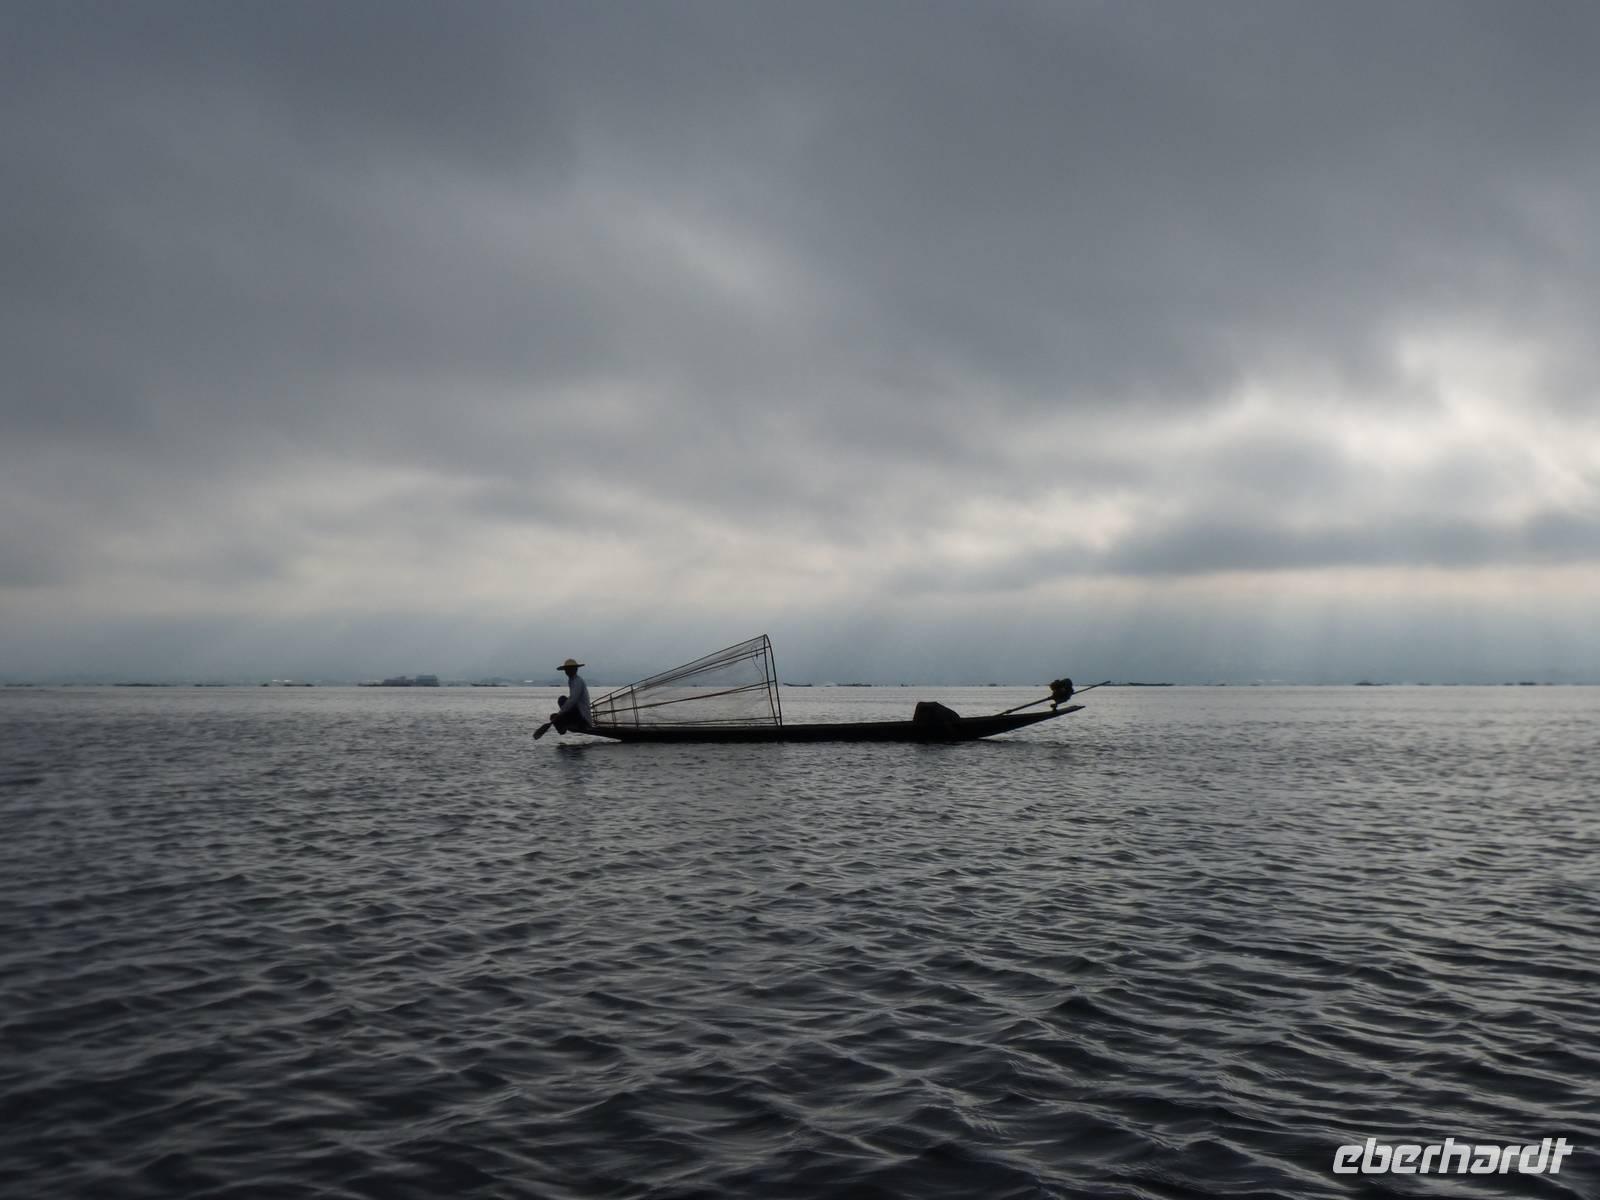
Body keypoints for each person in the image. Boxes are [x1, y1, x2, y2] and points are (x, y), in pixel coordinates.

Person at [534, 657, 593, 739]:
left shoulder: (577, 681)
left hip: (583, 718)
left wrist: (560, 714)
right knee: (553, 716)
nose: (568, 671)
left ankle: (572, 725)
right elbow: (572, 700)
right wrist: (559, 715)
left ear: (576, 669)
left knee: (562, 700)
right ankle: (565, 727)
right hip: (577, 714)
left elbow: (573, 700)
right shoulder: (572, 680)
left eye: (570, 669)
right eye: (566, 669)